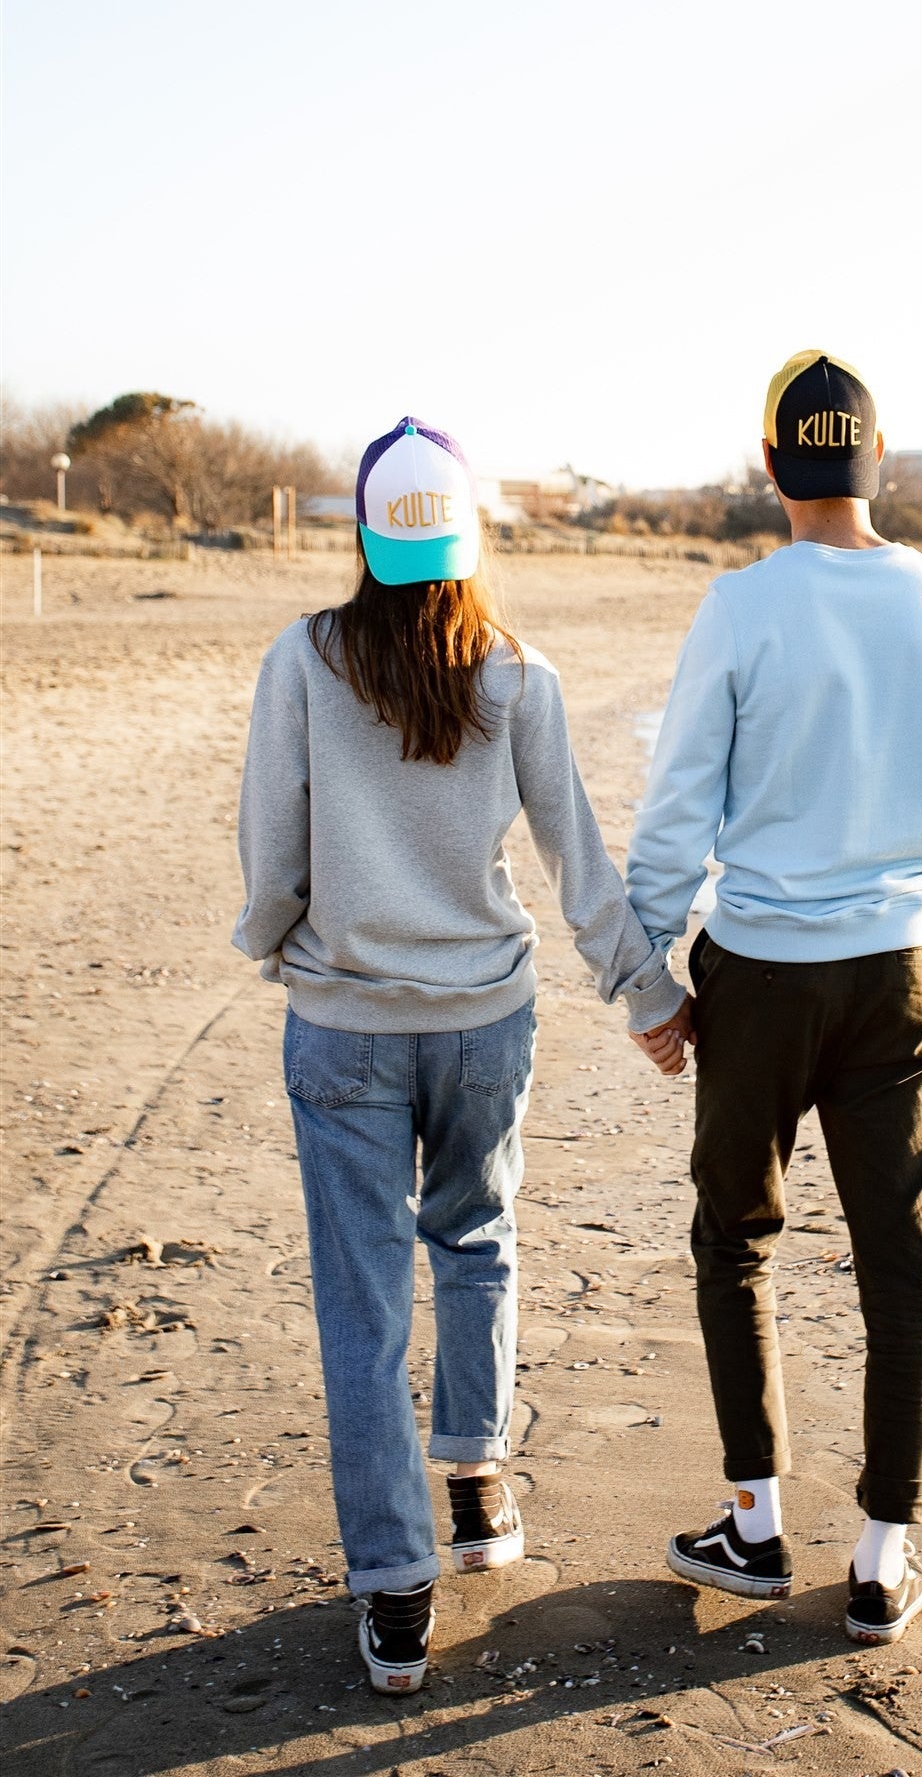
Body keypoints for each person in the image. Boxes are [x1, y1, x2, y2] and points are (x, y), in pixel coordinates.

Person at [232, 417, 686, 1695]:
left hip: (345, 1025)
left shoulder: (305, 660)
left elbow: (275, 850)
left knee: (363, 1304)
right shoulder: (515, 671)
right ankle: (479, 1485)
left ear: (367, 540)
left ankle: (393, 1591)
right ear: (469, 536)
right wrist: (648, 993)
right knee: (477, 1236)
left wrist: (276, 942)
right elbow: (577, 857)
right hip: (486, 1015)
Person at [626, 352, 922, 1645]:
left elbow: (677, 808)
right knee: (894, 1257)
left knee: (735, 1240)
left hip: (757, 971)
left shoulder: (739, 609)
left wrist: (648, 980)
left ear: (769, 468)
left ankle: (751, 1523)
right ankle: (879, 1554)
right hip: (903, 968)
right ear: (873, 462)